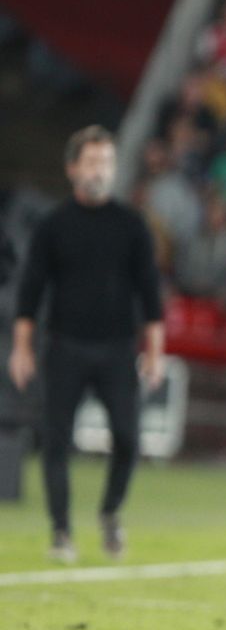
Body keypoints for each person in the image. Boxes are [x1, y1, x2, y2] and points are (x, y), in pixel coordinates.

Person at [9, 127, 165, 563]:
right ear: (73, 167)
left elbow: (151, 294)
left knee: (129, 440)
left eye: (107, 163)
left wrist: (154, 352)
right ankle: (61, 532)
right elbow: (31, 291)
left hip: (117, 350)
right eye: (92, 162)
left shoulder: (132, 225)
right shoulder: (54, 225)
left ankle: (110, 513)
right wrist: (21, 347)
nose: (100, 171)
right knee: (56, 443)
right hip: (65, 348)